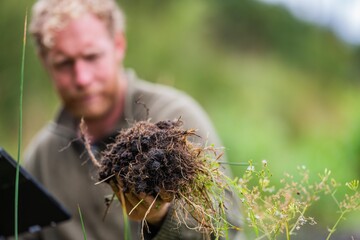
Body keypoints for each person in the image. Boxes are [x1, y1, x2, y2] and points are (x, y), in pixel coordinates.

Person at [23, 0, 242, 239]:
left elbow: (226, 230)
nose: (82, 78)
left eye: (92, 56)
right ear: (45, 63)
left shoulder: (175, 119)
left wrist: (160, 218)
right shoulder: (41, 159)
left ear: (118, 45)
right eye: (64, 63)